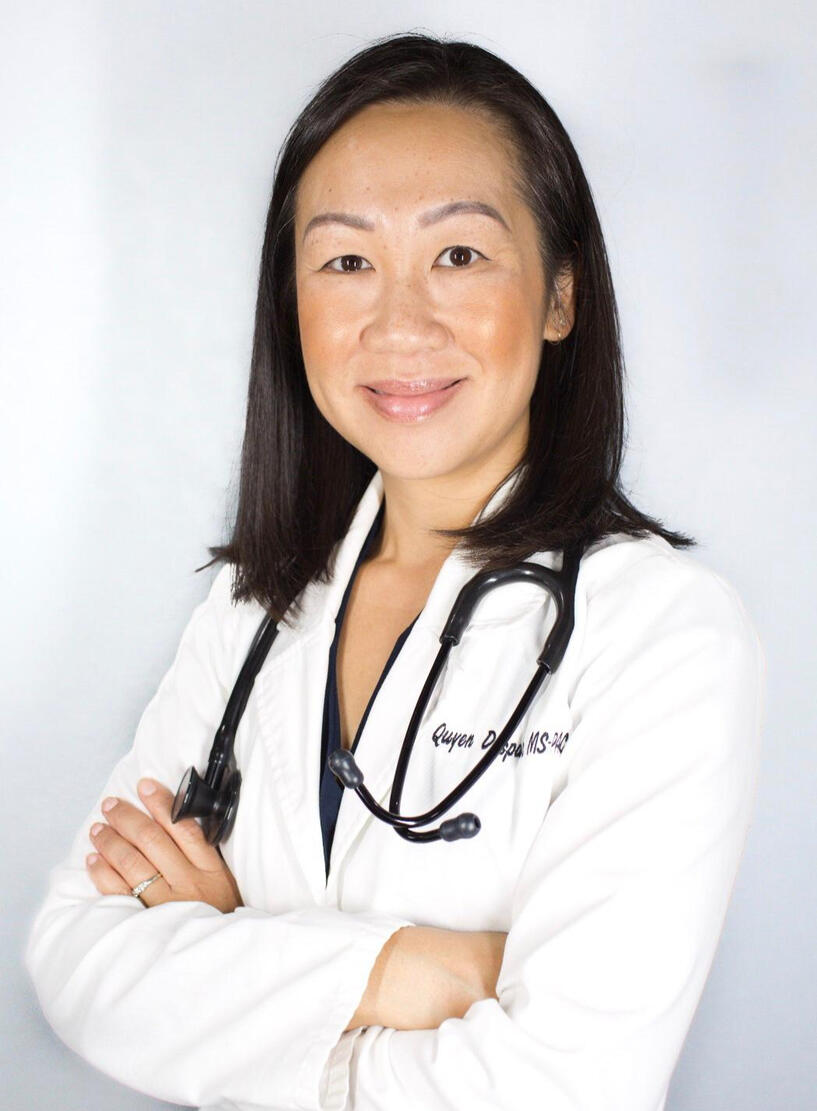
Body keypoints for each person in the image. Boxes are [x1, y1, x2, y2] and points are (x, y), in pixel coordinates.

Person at [24, 31, 765, 1111]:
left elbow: (568, 1088)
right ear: (293, 301)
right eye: (346, 261)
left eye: (459, 255)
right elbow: (74, 962)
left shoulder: (661, 634)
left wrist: (233, 956)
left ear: (561, 296)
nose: (398, 320)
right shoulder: (251, 612)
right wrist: (409, 969)